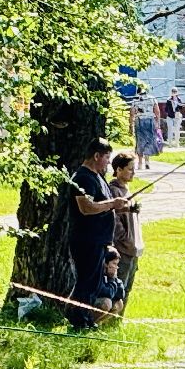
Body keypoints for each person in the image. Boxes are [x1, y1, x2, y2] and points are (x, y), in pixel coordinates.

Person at [66, 138, 133, 330]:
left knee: (94, 283)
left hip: (99, 240)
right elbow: (86, 208)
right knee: (86, 282)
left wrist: (122, 207)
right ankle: (78, 321)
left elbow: (103, 206)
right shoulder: (83, 178)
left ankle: (86, 320)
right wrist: (113, 203)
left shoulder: (98, 177)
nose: (108, 162)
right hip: (86, 240)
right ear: (96, 156)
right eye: (106, 157)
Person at [109, 152, 142, 304]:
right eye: (130, 169)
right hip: (123, 250)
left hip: (133, 250)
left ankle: (119, 318)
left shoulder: (127, 190)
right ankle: (110, 316)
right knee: (118, 290)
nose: (133, 172)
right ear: (118, 169)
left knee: (127, 289)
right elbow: (114, 220)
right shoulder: (113, 191)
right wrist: (125, 240)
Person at [94, 248, 127, 320]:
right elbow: (108, 293)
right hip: (87, 302)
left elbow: (121, 295)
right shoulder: (97, 273)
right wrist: (112, 279)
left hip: (99, 299)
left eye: (117, 264)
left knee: (119, 303)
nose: (116, 267)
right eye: (114, 263)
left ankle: (96, 323)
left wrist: (114, 278)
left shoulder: (109, 274)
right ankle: (86, 323)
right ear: (105, 263)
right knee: (106, 303)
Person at [133, 99, 158, 169]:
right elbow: (157, 111)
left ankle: (140, 163)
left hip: (139, 120)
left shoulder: (136, 100)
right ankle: (147, 161)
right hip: (149, 121)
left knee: (140, 142)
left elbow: (132, 112)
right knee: (148, 141)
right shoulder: (152, 99)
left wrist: (131, 125)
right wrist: (157, 122)